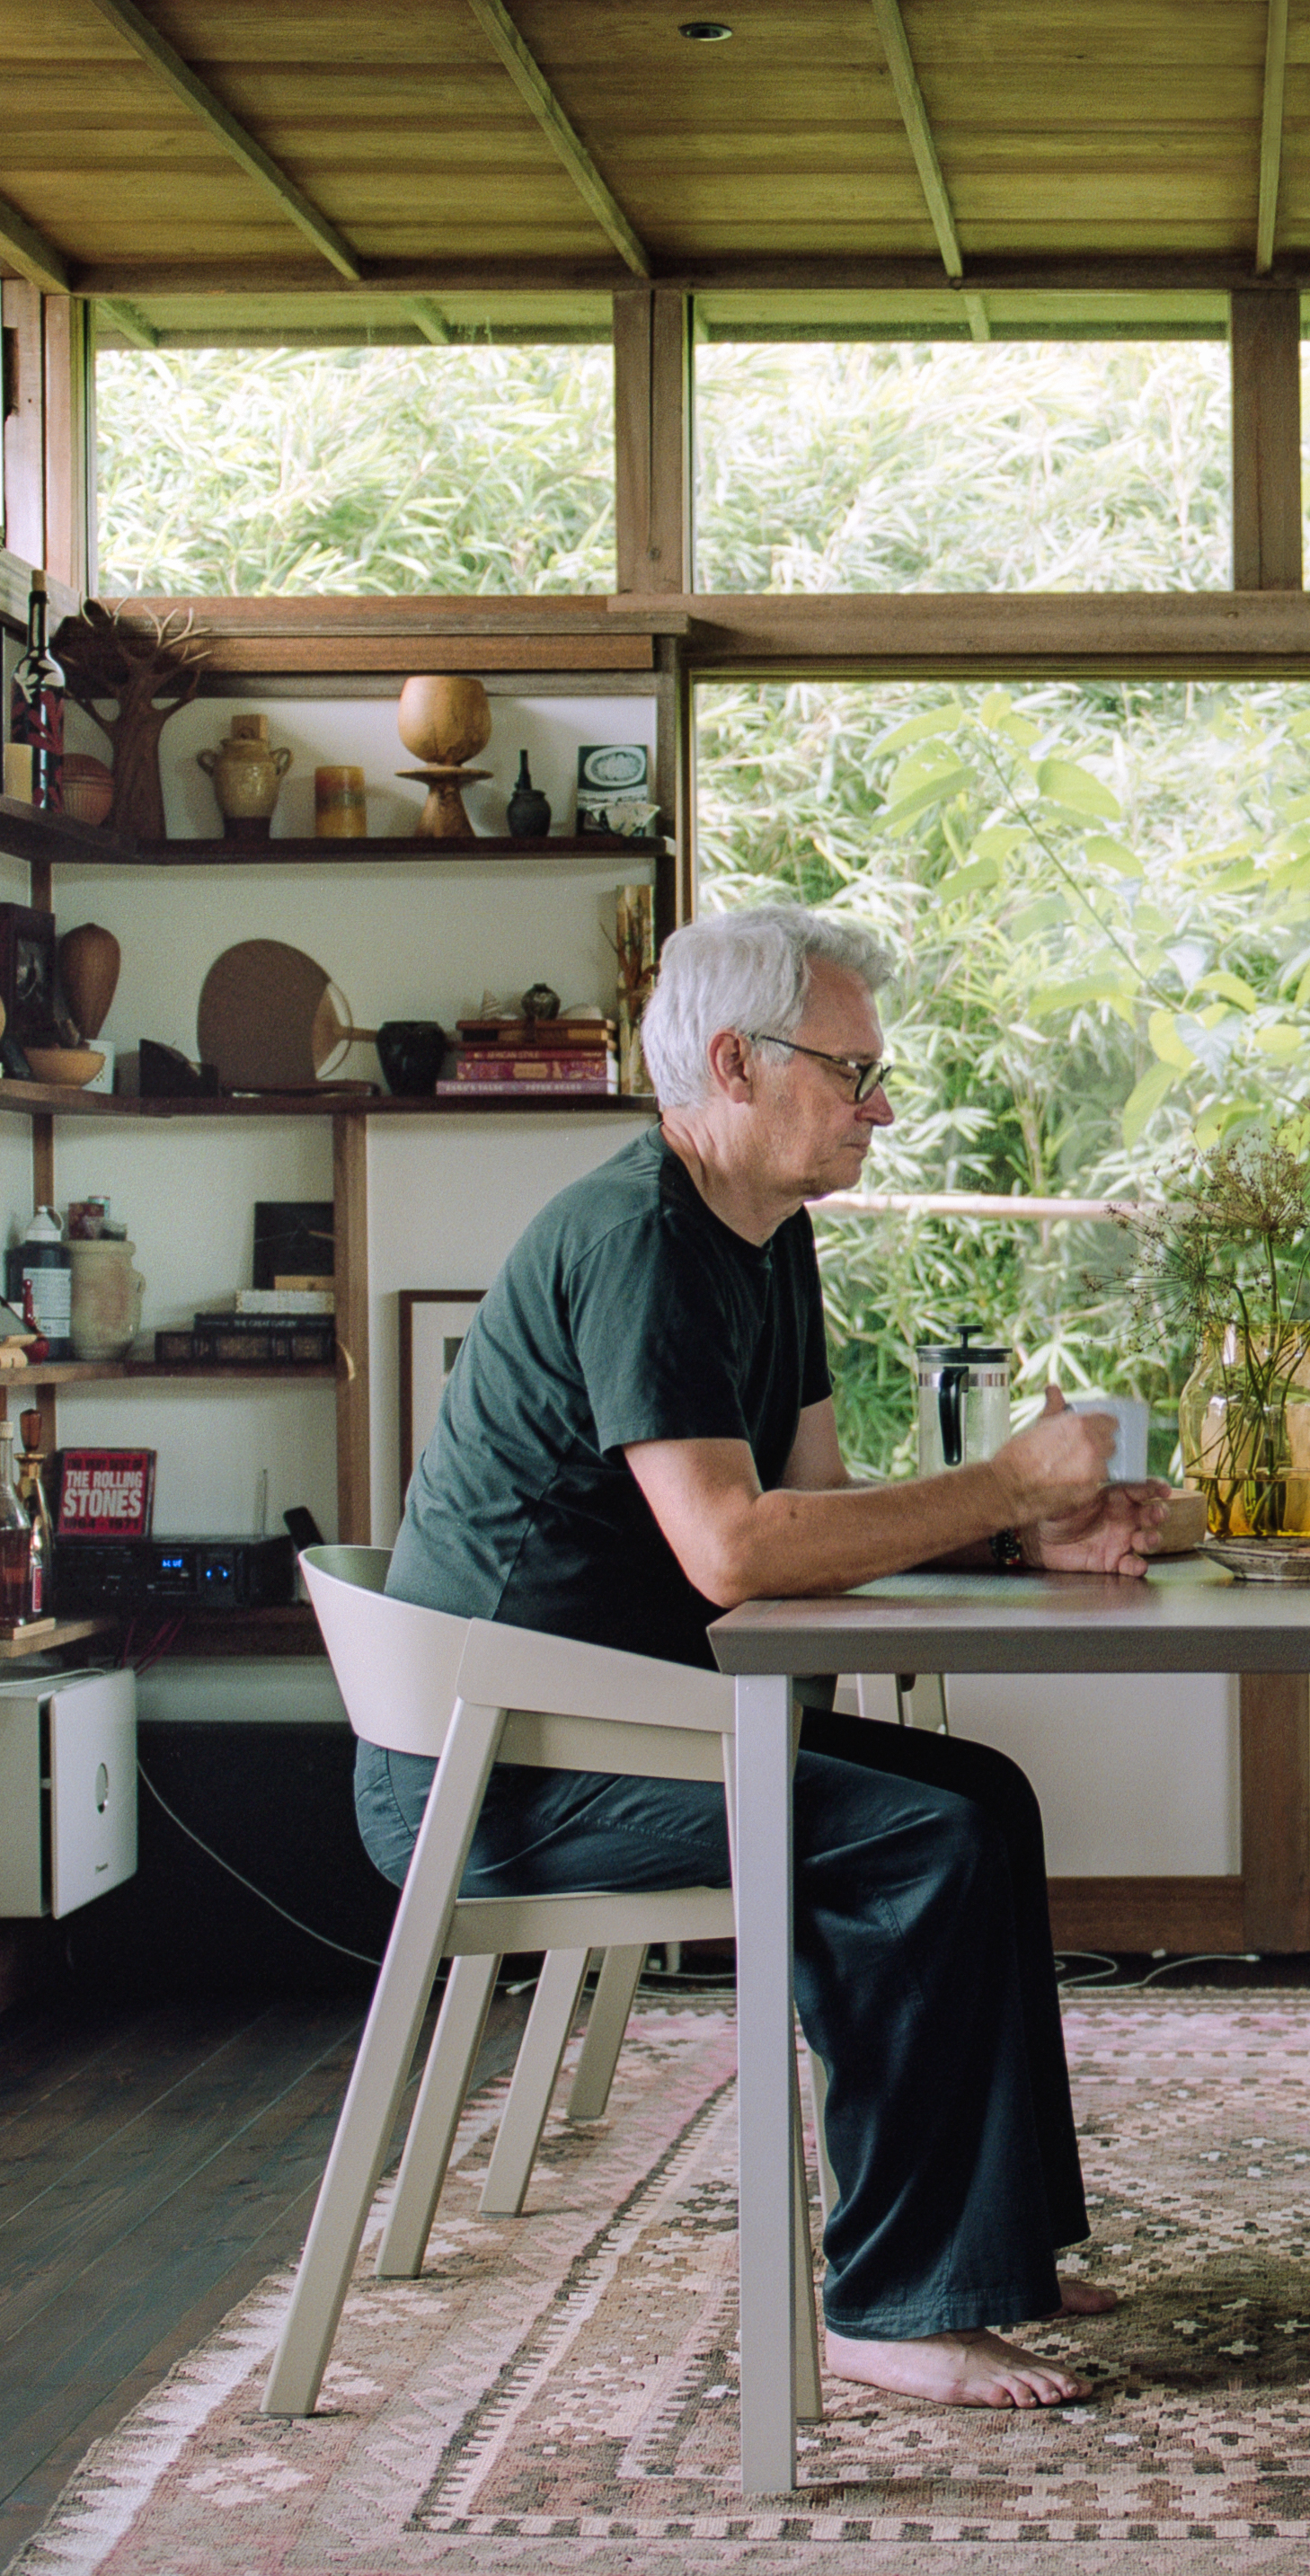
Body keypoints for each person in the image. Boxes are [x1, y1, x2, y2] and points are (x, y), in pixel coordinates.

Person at [359, 901, 1165, 2411]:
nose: (879, 1105)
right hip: (502, 1772)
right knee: (915, 1840)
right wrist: (1001, 1483)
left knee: (978, 1800)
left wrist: (1017, 1542)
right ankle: (881, 2304)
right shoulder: (640, 1238)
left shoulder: (765, 1234)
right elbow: (733, 1551)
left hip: (620, 1722)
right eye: (853, 1073)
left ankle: (982, 2252)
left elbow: (813, 1512)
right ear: (733, 1062)